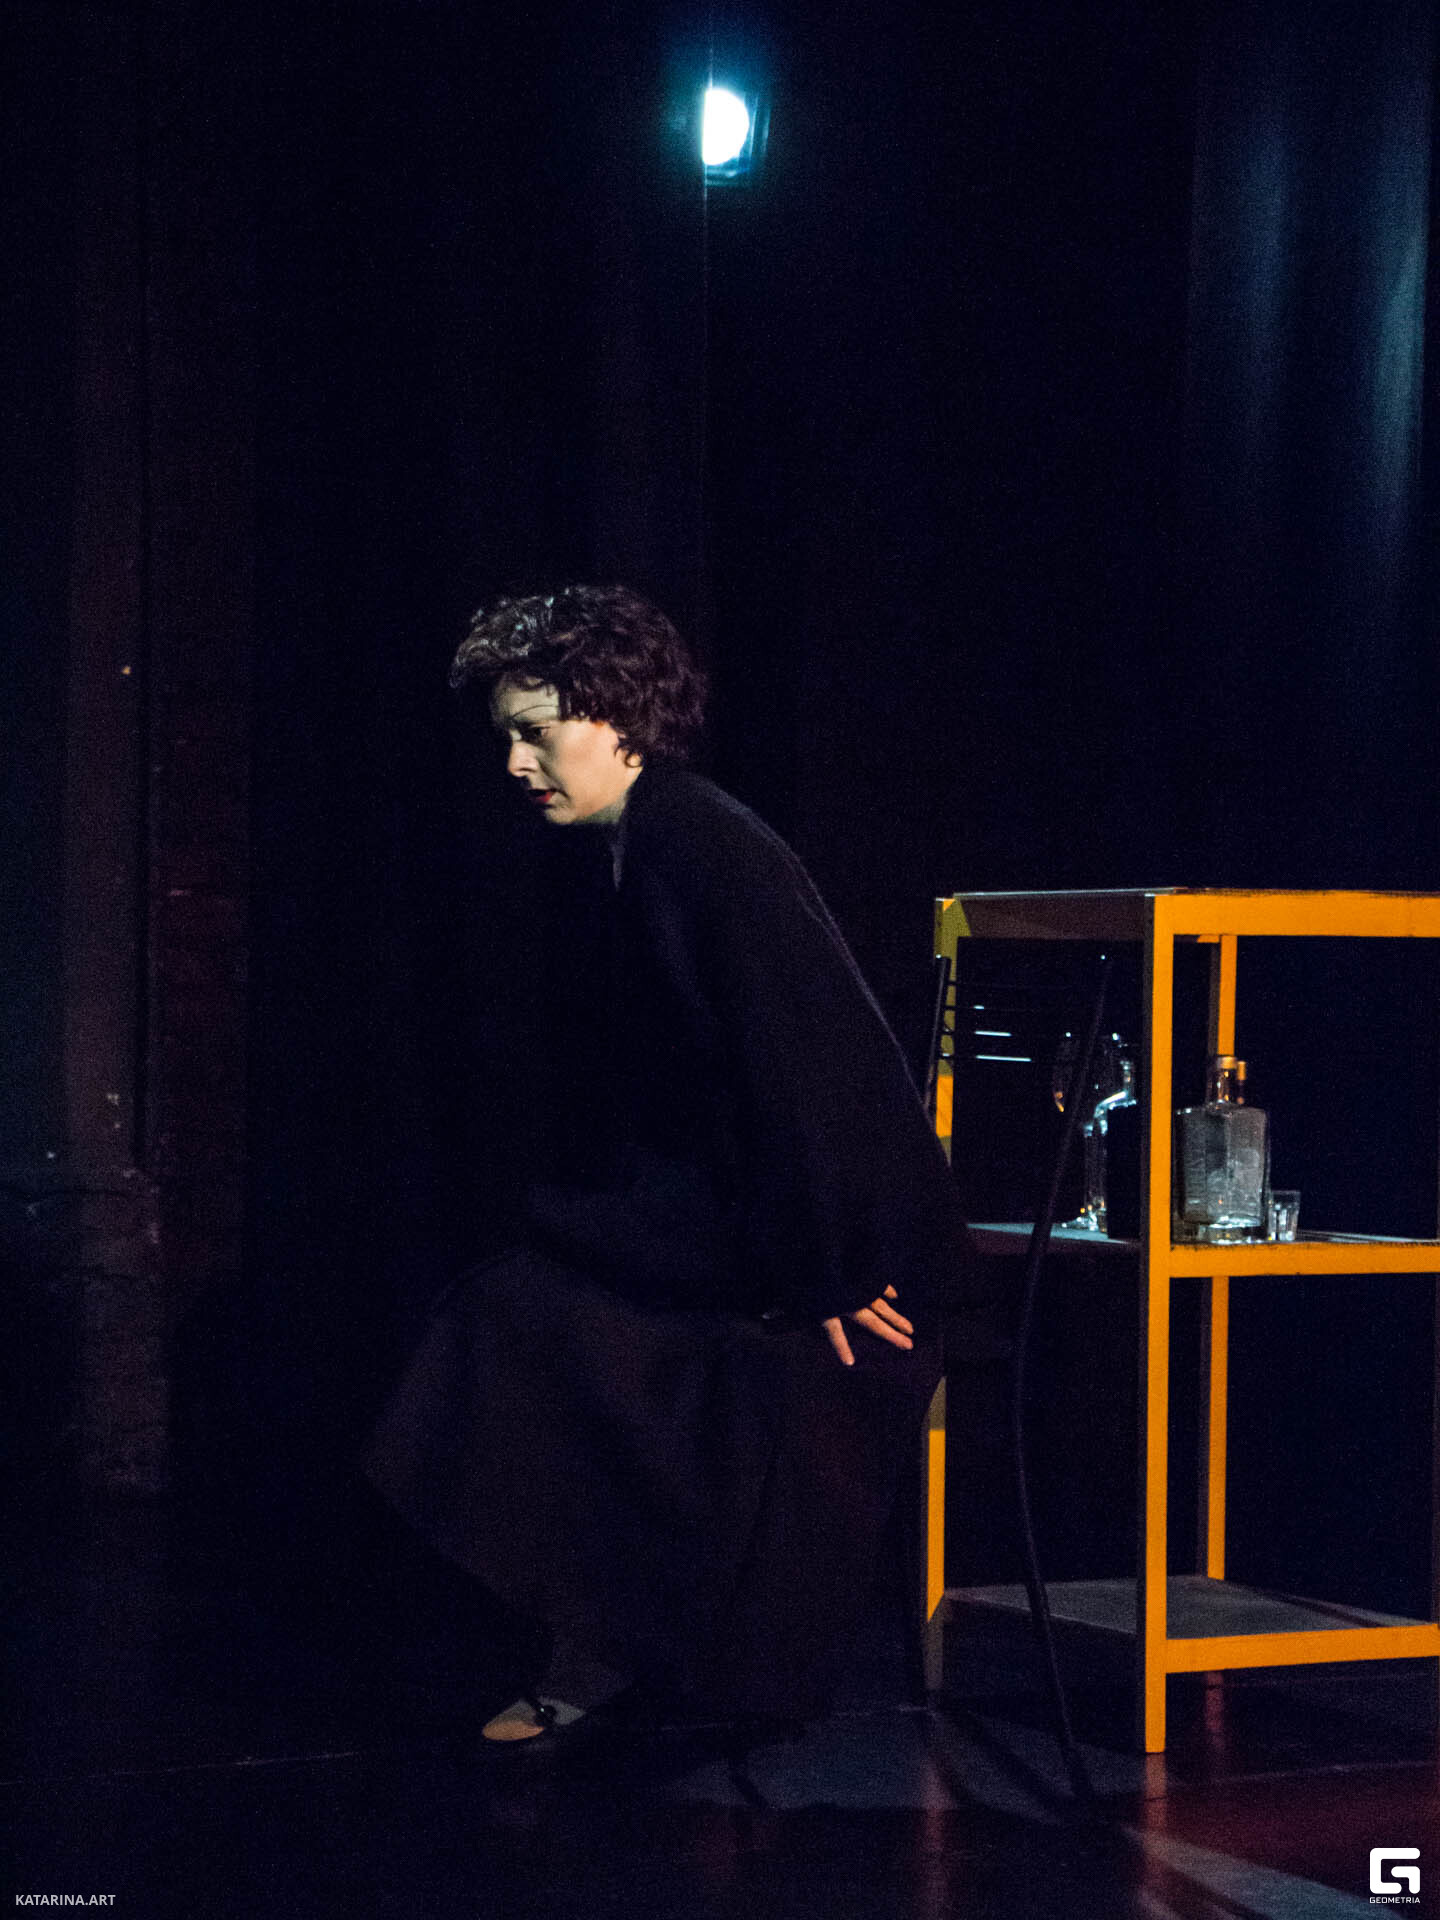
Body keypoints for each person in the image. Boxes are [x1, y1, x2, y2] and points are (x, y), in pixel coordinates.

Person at [364, 584, 976, 1755]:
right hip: (749, 1217)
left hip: (838, 1240)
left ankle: (608, 1650)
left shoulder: (698, 842)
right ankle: (595, 1643)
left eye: (536, 733)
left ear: (616, 716)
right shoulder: (637, 844)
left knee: (533, 1327)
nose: (514, 764)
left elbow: (818, 1069)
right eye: (506, 737)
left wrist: (836, 1270)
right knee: (513, 1312)